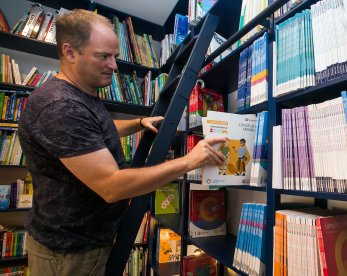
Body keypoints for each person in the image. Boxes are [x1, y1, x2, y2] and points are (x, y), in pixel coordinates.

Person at [17, 9, 226, 276]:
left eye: (114, 56)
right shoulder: (61, 106)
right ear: (70, 52)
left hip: (83, 244)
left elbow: (93, 133)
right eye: (103, 56)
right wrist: (189, 161)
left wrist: (138, 123)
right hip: (69, 255)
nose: (114, 66)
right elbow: (111, 186)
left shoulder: (80, 95)